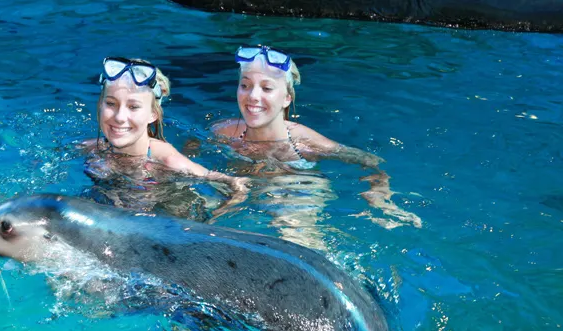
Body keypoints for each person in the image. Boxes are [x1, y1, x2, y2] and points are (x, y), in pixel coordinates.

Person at [211, 45, 422, 231]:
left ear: (286, 98)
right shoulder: (222, 132)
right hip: (239, 185)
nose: (253, 96)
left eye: (266, 88)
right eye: (245, 85)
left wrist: (379, 192)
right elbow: (190, 152)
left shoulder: (303, 142)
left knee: (297, 238)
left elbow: (369, 161)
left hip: (294, 189)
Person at [82, 57, 247, 218]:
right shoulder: (93, 147)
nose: (119, 117)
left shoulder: (166, 159)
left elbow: (234, 183)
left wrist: (215, 217)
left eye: (133, 107)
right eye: (111, 103)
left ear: (152, 114)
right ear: (100, 105)